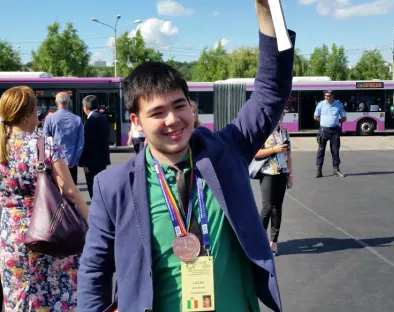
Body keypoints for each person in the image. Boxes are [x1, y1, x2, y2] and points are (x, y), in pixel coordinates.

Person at [77, 1, 295, 311]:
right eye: (157, 112)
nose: (172, 120)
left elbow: (270, 92)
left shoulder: (226, 151)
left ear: (191, 108)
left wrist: (267, 7)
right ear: (136, 121)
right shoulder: (113, 186)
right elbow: (95, 269)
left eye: (179, 106)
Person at [0, 86, 89, 311]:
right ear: (29, 114)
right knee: (55, 294)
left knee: (18, 296)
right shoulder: (45, 146)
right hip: (49, 231)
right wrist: (92, 224)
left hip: (10, 235)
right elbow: (70, 192)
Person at [254, 112, 294, 256]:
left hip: (282, 172)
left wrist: (290, 174)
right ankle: (258, 241)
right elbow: (255, 153)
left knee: (277, 208)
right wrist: (273, 149)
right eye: (278, 115)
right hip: (268, 172)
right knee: (267, 208)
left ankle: (273, 243)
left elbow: (288, 154)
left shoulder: (284, 131)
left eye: (282, 115)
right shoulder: (263, 132)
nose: (280, 118)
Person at [43, 92, 84, 184]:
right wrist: (75, 160)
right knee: (71, 190)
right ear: (68, 103)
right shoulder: (77, 119)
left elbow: (46, 140)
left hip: (55, 162)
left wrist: (49, 160)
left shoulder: (49, 119)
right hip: (71, 161)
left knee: (56, 192)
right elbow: (80, 142)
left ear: (56, 103)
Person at [79, 95, 111, 198]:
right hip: (102, 159)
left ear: (85, 107)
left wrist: (85, 163)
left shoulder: (91, 120)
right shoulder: (103, 118)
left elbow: (88, 143)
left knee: (93, 190)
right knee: (101, 186)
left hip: (92, 162)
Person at [314, 90, 346, 178]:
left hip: (335, 131)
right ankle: (319, 170)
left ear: (333, 96)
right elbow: (315, 116)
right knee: (321, 150)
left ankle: (336, 170)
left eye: (329, 96)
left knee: (335, 150)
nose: (327, 97)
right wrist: (324, 121)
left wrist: (335, 121)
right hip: (323, 130)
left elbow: (344, 118)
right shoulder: (321, 104)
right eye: (326, 96)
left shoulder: (338, 105)